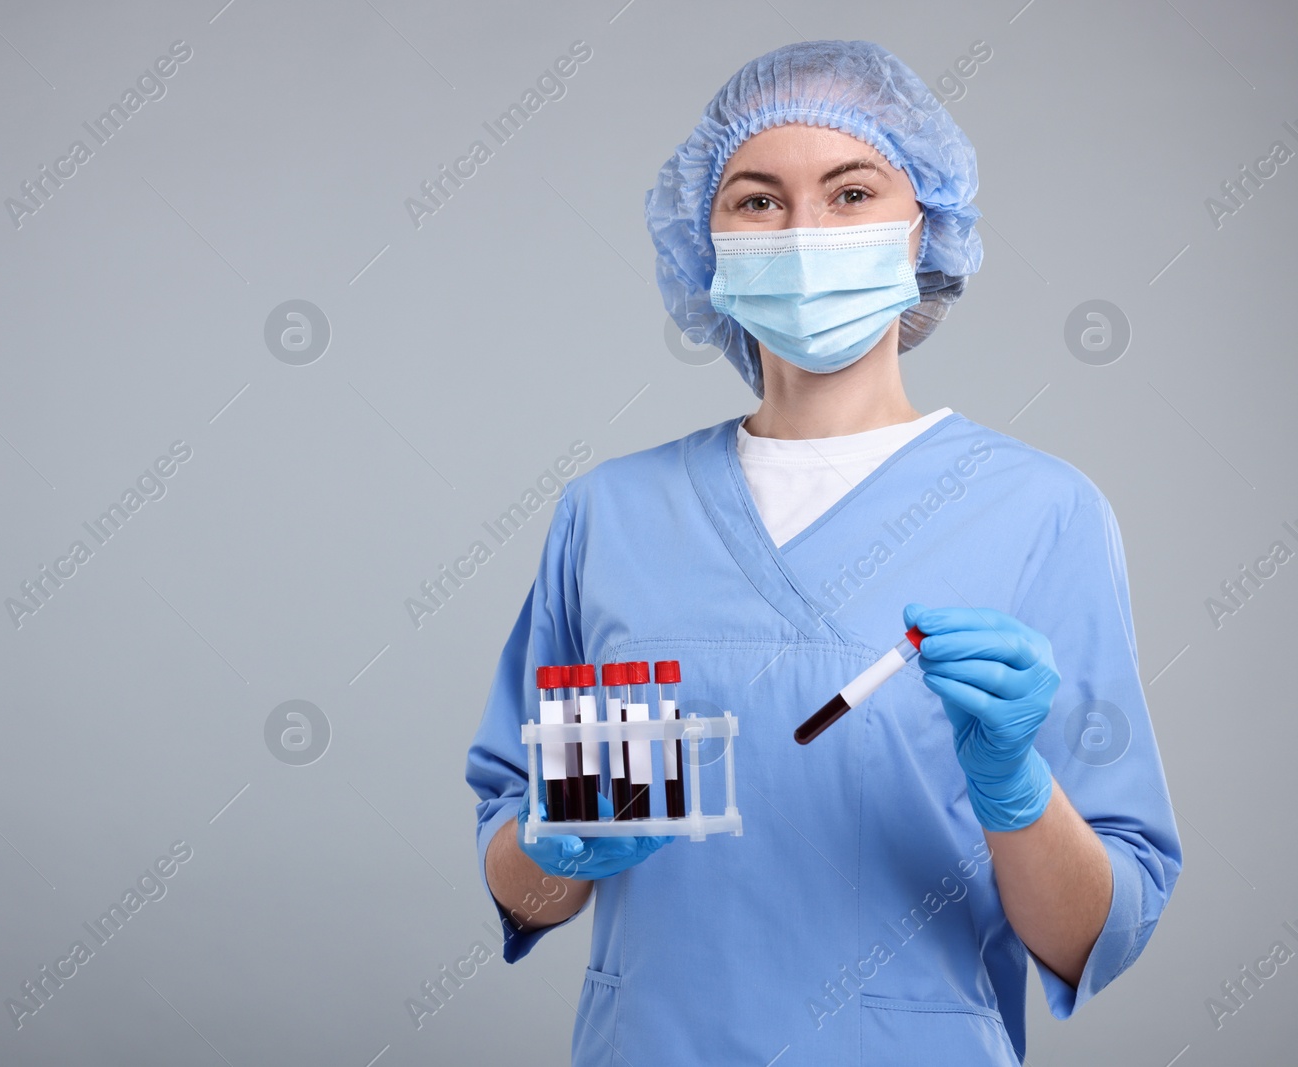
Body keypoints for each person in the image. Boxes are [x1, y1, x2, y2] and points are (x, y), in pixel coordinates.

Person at [465, 39, 1182, 1065]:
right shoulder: (607, 514)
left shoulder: (1042, 513)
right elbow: (526, 891)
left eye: (850, 192)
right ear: (703, 237)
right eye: (758, 200)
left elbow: (1085, 937)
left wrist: (1011, 782)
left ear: (920, 223)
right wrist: (551, 842)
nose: (803, 232)